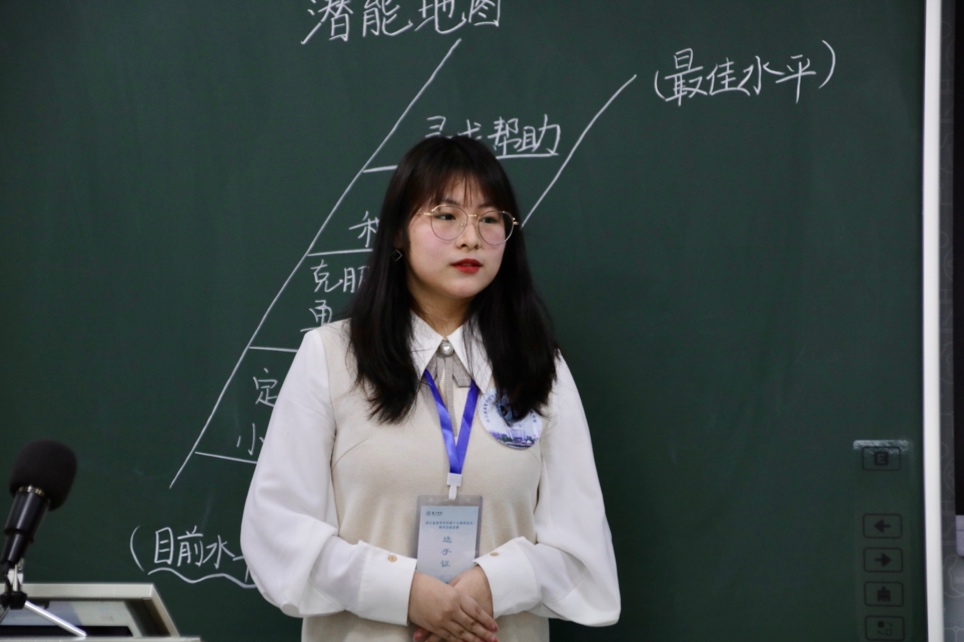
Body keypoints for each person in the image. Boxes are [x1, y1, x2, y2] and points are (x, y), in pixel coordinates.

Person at [240, 136, 620, 642]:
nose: (471, 238)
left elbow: (582, 551)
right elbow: (277, 532)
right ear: (399, 231)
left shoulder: (539, 367)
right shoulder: (331, 357)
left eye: (490, 219)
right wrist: (404, 593)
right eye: (446, 216)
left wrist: (493, 584)